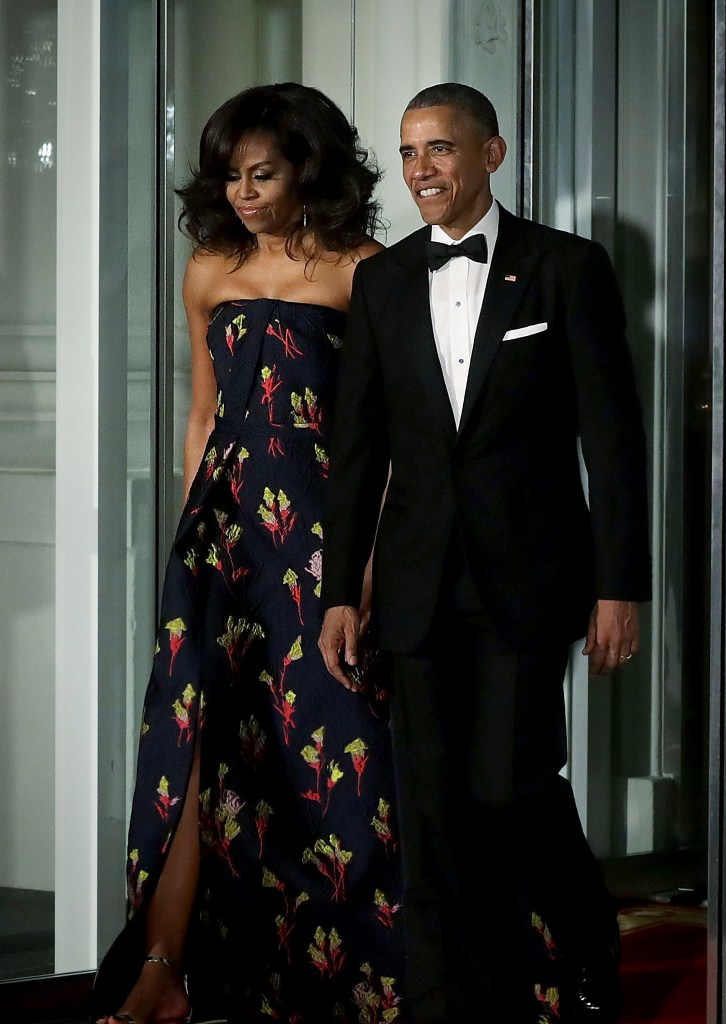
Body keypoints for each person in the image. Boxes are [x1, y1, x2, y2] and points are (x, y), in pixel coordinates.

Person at [318, 82, 652, 1023]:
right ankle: (454, 1005)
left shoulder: (567, 268)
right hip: (416, 581)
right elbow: (358, 452)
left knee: (509, 787)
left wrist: (620, 586)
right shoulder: (382, 282)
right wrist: (341, 590)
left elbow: (613, 443)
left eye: (441, 149)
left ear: (491, 154)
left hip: (529, 579)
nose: (421, 169)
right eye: (409, 152)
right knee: (432, 813)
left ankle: (585, 934)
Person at [90, 82, 404, 1024]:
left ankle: (358, 982)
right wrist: (192, 541)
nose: (243, 194)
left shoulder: (366, 271)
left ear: (308, 169)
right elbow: (203, 417)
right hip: (221, 541)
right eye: (231, 177)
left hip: (322, 540)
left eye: (262, 174)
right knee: (196, 745)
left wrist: (365, 568)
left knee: (338, 750)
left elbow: (390, 440)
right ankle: (161, 972)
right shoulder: (209, 270)